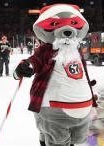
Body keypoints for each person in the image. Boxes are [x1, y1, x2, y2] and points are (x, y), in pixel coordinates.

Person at [13, 4, 95, 146]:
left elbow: (82, 72)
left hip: (82, 105)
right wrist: (24, 68)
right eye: (56, 24)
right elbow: (34, 61)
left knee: (76, 139)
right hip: (54, 105)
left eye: (73, 23)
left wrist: (90, 87)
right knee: (52, 134)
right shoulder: (47, 49)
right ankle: (44, 139)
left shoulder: (76, 49)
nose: (67, 30)